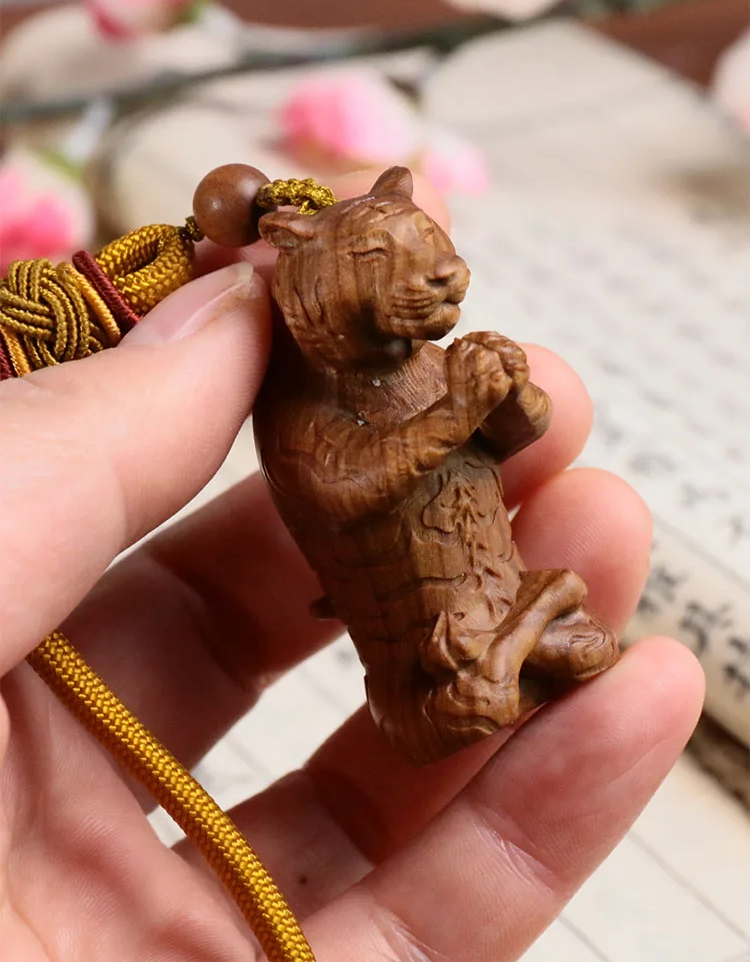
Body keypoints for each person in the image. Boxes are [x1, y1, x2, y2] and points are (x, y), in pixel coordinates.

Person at [0, 172, 704, 960]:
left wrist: (507, 398)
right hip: (427, 650)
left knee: (594, 652)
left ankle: (535, 617)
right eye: (381, 255)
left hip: (499, 591)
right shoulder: (305, 408)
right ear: (310, 265)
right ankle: (527, 625)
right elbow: (346, 486)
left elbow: (509, 438)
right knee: (468, 703)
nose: (437, 271)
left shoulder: (426, 366)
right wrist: (456, 413)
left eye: (430, 248)